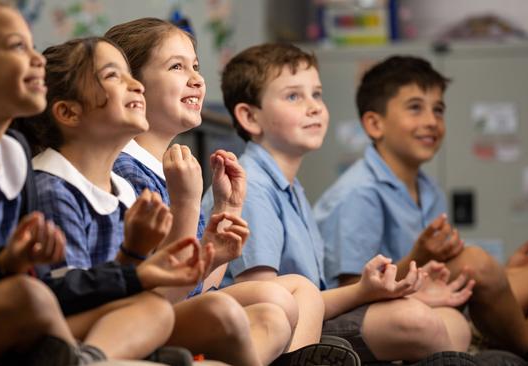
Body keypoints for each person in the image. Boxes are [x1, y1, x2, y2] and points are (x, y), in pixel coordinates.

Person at [0, 2, 199, 364]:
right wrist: (1, 263)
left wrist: (132, 269)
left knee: (152, 309)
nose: (38, 59)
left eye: (32, 46)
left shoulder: (13, 156)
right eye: (16, 46)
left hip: (22, 309)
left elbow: (51, 284)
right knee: (26, 296)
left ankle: (85, 356)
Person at [19, 35, 287, 366]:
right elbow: (73, 298)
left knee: (267, 317)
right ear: (68, 112)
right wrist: (186, 204)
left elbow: (151, 286)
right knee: (206, 310)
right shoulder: (53, 188)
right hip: (74, 329)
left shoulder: (122, 190)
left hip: (130, 315)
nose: (137, 87)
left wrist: (212, 254)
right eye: (114, 75)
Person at [204, 43, 477, 364]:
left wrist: (405, 289)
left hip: (313, 312)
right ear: (250, 117)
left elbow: (316, 294)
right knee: (418, 322)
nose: (314, 107)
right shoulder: (250, 185)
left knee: (455, 324)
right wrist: (363, 291)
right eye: (294, 96)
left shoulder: (293, 188)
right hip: (275, 325)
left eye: (317, 94)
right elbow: (270, 305)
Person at [105, 18, 356, 366]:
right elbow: (170, 290)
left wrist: (228, 206)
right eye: (177, 67)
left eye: (195, 66)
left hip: (177, 303)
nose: (196, 78)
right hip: (148, 315)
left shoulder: (170, 168)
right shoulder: (126, 171)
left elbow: (201, 282)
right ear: (133, 86)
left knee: (300, 290)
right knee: (278, 298)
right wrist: (189, 201)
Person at [314, 55, 528, 364]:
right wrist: (420, 257)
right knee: (477, 262)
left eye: (438, 110)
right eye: (415, 107)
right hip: (390, 311)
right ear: (374, 124)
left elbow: (444, 269)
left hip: (437, 295)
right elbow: (352, 292)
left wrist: (503, 272)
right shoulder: (357, 193)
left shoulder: (428, 189)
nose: (431, 121)